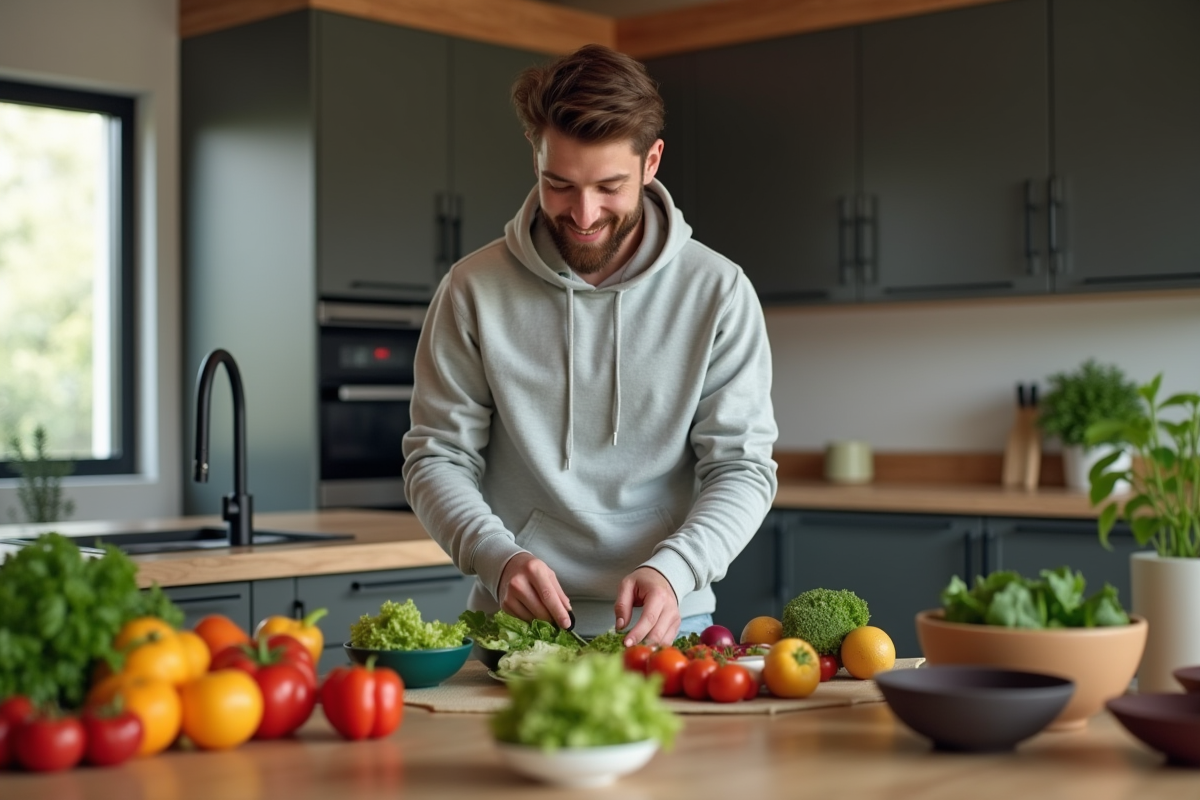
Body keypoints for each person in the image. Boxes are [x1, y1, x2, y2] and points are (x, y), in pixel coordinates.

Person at [402, 44, 777, 646]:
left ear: (652, 161)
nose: (583, 214)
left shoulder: (719, 291)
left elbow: (742, 468)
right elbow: (437, 457)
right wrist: (495, 556)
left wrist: (674, 570)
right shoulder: (472, 289)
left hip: (671, 628)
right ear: (535, 156)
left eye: (609, 186)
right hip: (512, 628)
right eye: (560, 184)